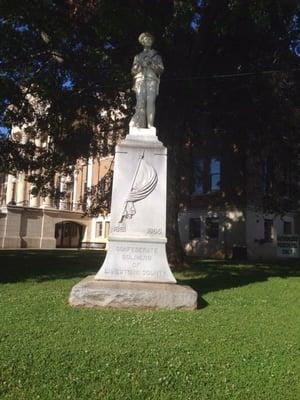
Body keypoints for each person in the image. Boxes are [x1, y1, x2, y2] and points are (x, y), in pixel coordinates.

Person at [129, 32, 164, 129]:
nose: (148, 41)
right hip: (140, 79)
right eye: (146, 39)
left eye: (150, 39)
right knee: (140, 102)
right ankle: (140, 125)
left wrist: (151, 63)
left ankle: (150, 125)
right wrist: (141, 66)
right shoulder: (137, 56)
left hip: (152, 79)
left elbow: (161, 69)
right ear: (142, 42)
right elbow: (132, 71)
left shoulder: (156, 56)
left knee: (151, 101)